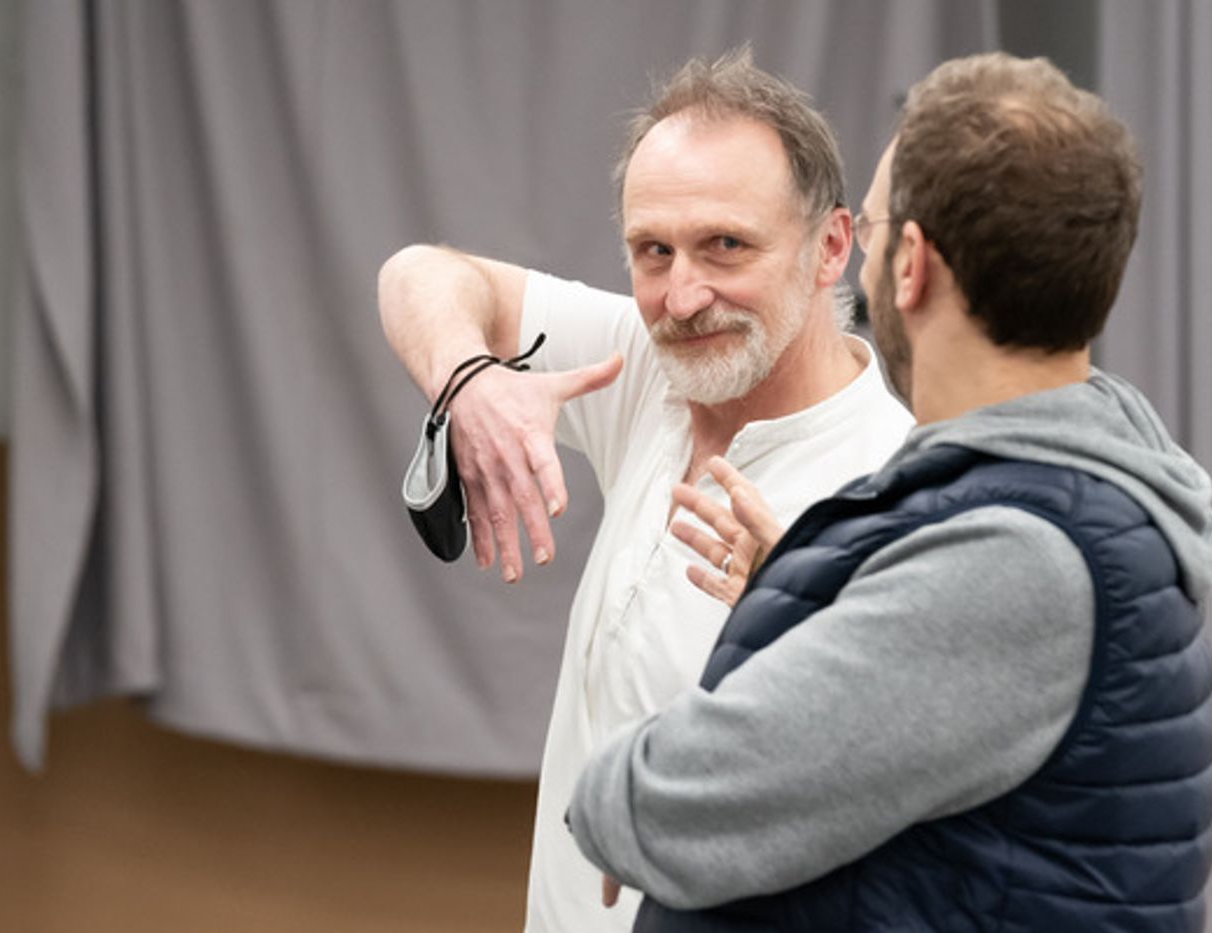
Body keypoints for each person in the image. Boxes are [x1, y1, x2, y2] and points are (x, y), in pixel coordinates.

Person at [567, 51, 1212, 931]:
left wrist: (607, 804)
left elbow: (676, 798)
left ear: (908, 262)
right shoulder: (1049, 507)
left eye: (872, 229)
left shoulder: (1020, 553)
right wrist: (820, 594)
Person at [376, 49, 913, 932]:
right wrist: (467, 378)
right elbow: (419, 274)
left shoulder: (888, 487)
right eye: (652, 251)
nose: (682, 295)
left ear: (829, 248)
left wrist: (798, 622)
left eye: (726, 246)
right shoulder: (651, 369)